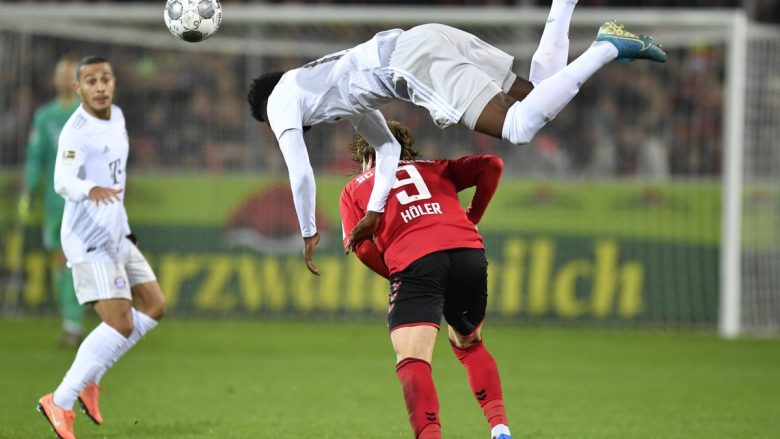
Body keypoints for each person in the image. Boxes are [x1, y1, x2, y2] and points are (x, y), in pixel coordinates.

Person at [247, 0, 666, 274]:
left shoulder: (280, 99)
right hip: (426, 37)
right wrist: (375, 210)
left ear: (266, 115)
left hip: (411, 62)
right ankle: (564, 4)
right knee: (538, 95)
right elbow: (388, 147)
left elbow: (300, 173)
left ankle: (607, 47)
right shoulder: (327, 90)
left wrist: (307, 231)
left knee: (517, 127)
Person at [340, 121, 510, 439]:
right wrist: (473, 214)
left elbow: (360, 247)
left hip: (416, 262)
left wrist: (400, 275)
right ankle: (500, 429)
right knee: (469, 344)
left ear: (365, 155)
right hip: (468, 252)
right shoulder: (436, 168)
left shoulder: (354, 190)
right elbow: (492, 165)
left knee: (413, 358)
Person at [36, 56, 166, 439]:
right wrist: (87, 189)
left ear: (114, 83)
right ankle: (59, 400)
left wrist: (125, 229)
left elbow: (118, 179)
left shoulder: (119, 118)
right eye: (90, 80)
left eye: (105, 78)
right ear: (78, 89)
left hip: (115, 231)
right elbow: (62, 180)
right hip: (88, 237)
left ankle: (91, 377)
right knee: (121, 323)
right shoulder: (76, 131)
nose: (99, 86)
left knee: (154, 305)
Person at [18, 56, 84, 347]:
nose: (66, 78)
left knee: (79, 260)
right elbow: (36, 158)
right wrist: (28, 191)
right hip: (55, 202)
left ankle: (77, 322)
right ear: (56, 80)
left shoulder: (89, 114)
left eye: (71, 73)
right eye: (62, 73)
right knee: (61, 260)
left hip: (85, 200)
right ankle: (72, 321)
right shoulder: (45, 117)